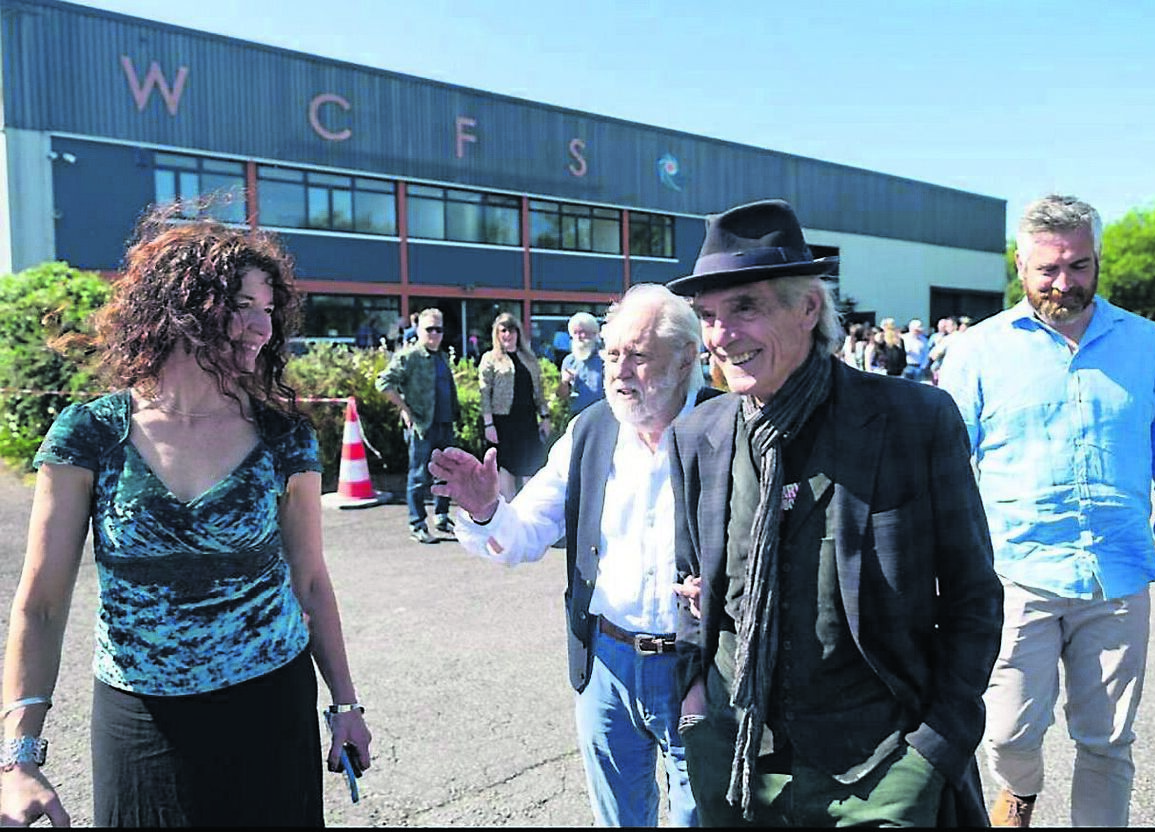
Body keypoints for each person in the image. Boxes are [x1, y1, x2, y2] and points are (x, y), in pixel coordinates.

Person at [0, 213, 372, 827]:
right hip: (140, 718)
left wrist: (346, 705)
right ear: (184, 306)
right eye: (243, 305)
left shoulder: (283, 437)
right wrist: (18, 759)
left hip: (268, 706)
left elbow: (308, 583)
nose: (263, 326)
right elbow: (39, 604)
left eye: (271, 309)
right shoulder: (91, 434)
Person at [664, 198, 1002, 826]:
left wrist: (934, 748)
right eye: (708, 315)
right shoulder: (699, 435)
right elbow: (691, 592)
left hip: (882, 769)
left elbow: (973, 596)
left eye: (745, 307)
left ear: (808, 308)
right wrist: (693, 713)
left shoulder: (912, 421)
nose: (719, 336)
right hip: (737, 766)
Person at [938, 193, 1155, 828]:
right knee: (1007, 734)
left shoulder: (1144, 346)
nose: (1065, 283)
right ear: (1021, 266)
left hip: (1117, 574)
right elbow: (943, 470)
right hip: (1013, 575)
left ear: (1096, 260)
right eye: (1049, 269)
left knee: (1107, 741)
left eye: (1079, 266)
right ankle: (1020, 792)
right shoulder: (978, 351)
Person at [429, 283, 712, 826]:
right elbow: (526, 531)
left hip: (696, 672)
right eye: (612, 354)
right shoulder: (590, 430)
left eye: (638, 355)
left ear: (685, 360)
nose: (619, 371)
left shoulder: (726, 426)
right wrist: (487, 508)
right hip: (606, 663)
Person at [375, 307, 460, 545]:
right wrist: (404, 408)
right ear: (419, 330)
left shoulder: (441, 356)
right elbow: (383, 383)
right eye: (429, 329)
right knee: (419, 475)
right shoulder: (409, 356)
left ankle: (441, 516)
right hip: (423, 425)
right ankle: (417, 523)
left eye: (438, 329)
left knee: (446, 473)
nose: (434, 334)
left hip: (445, 423)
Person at [478, 312, 551, 501]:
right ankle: (509, 514)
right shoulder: (490, 359)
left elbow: (539, 391)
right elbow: (484, 393)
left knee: (530, 469)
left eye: (512, 330)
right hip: (503, 422)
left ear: (518, 333)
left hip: (526, 421)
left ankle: (529, 516)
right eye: (503, 331)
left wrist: (545, 417)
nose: (508, 335)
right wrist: (488, 425)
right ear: (497, 334)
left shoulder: (529, 358)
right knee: (506, 469)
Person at [556, 311, 605, 416]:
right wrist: (564, 382)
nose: (579, 336)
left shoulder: (604, 359)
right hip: (576, 416)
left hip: (603, 416)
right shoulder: (568, 361)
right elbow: (562, 396)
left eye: (582, 332)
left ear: (594, 334)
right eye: (575, 332)